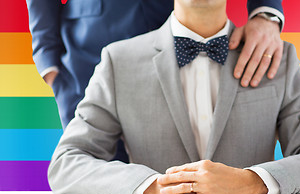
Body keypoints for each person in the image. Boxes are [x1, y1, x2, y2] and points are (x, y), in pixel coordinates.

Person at [48, 0, 300, 194]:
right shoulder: (119, 61)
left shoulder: (276, 59)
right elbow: (66, 163)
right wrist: (152, 188)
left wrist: (250, 183)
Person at [26, 0, 284, 129]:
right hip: (87, 53)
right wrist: (47, 59)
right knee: (96, 180)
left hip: (184, 38)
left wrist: (266, 11)